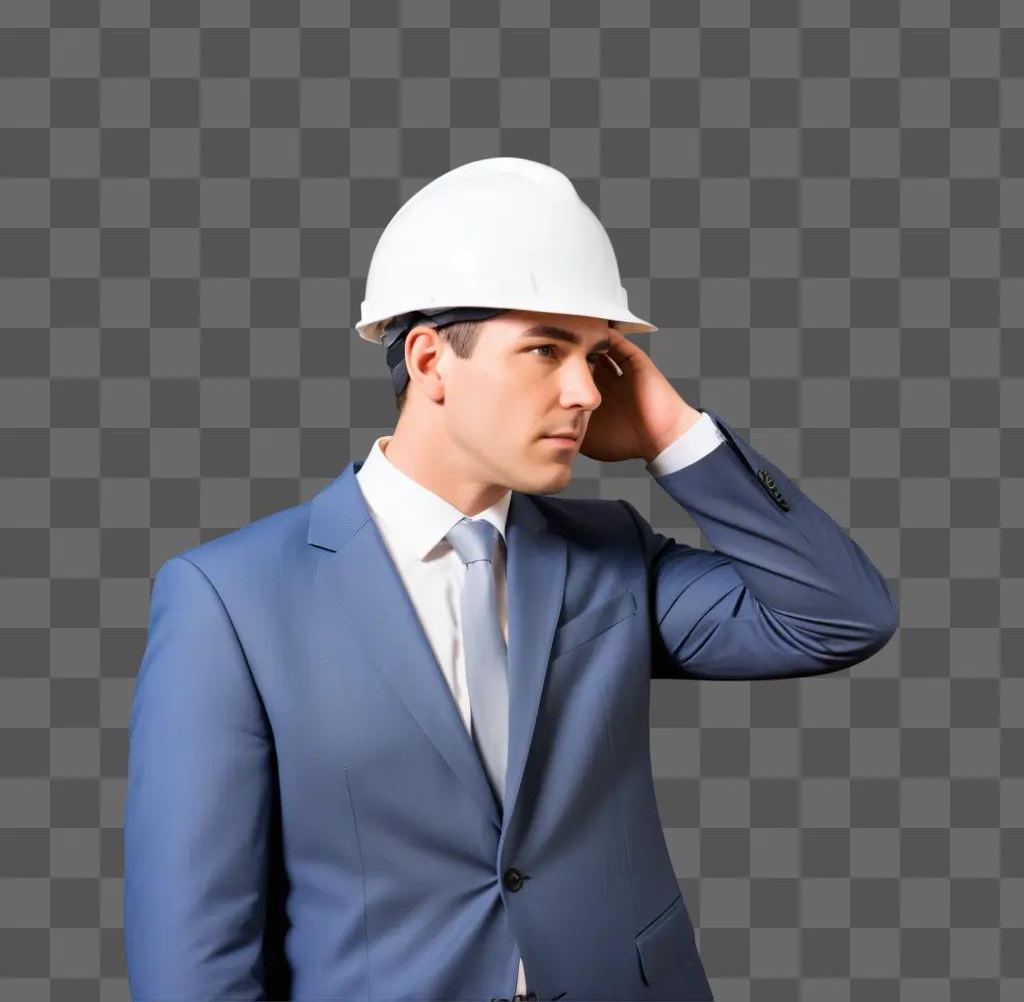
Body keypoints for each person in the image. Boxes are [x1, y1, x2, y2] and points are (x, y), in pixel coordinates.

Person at [124, 158, 898, 1001]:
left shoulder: (609, 556)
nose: (583, 392)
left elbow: (839, 617)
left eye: (597, 357)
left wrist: (673, 434)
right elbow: (192, 952)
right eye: (544, 349)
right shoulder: (229, 601)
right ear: (428, 361)